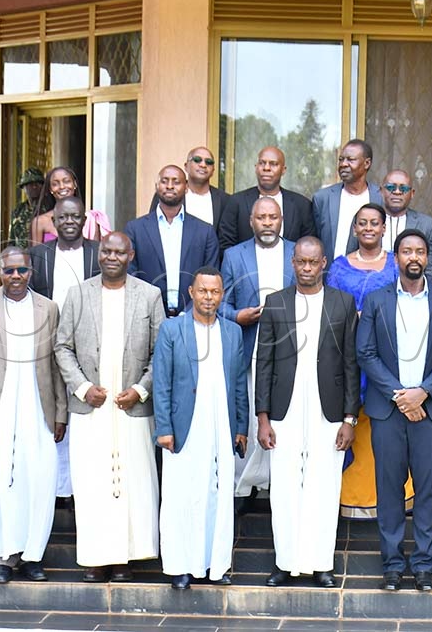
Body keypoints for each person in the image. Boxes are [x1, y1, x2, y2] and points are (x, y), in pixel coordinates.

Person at [54, 232, 166, 583]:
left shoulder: (149, 296)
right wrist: (84, 388)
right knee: (92, 482)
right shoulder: (78, 294)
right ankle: (96, 558)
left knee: (133, 482)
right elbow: (62, 346)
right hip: (92, 407)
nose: (112, 257)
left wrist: (140, 390)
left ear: (131, 255)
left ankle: (124, 559)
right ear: (98, 254)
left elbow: (159, 352)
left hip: (131, 407)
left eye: (119, 252)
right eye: (106, 251)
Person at [358, 229, 432, 592]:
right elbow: (366, 353)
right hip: (388, 411)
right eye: (407, 251)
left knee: (429, 489)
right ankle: (391, 564)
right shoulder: (376, 300)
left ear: (427, 257)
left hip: (430, 411)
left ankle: (423, 564)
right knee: (388, 489)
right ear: (397, 257)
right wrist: (399, 396)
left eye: (420, 251)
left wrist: (422, 393)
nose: (414, 257)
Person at [255, 237, 359, 589]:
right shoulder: (275, 303)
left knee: (324, 486)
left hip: (327, 409)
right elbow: (263, 364)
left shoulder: (342, 303)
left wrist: (349, 419)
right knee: (283, 486)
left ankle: (321, 564)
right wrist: (263, 417)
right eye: (300, 262)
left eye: (313, 262)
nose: (306, 268)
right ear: (293, 263)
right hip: (284, 408)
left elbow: (350, 365)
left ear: (324, 263)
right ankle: (284, 562)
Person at [0, 247, 67, 584]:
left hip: (39, 408)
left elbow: (56, 363)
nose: (16, 277)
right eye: (9, 271)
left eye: (21, 270)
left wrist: (61, 412)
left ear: (31, 271)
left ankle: (34, 556)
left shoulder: (48, 309)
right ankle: (4, 556)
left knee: (38, 479)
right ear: (0, 273)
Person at [152, 267, 249, 590]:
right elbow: (162, 382)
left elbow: (239, 385)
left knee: (219, 495)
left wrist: (241, 427)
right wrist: (164, 427)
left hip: (222, 423)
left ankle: (216, 565)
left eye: (216, 292)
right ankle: (181, 566)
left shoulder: (232, 332)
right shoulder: (172, 329)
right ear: (191, 292)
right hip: (183, 426)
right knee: (181, 494)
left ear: (222, 295)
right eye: (203, 291)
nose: (209, 297)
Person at [326, 203, 412, 519]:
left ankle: (386, 499)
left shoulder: (395, 266)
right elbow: (328, 308)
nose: (368, 228)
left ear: (383, 228)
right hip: (344, 354)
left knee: (385, 422)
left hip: (388, 355)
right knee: (349, 416)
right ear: (354, 228)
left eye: (375, 223)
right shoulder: (337, 267)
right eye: (362, 223)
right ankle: (349, 498)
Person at [220, 197, 296, 503]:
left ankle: (278, 482)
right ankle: (244, 486)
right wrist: (237, 316)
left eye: (272, 217)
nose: (267, 222)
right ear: (251, 221)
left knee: (283, 413)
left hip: (290, 347)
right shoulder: (233, 255)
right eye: (261, 217)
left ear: (281, 221)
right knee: (250, 411)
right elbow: (218, 301)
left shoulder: (297, 253)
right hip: (248, 344)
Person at [29, 196, 101, 500]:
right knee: (52, 411)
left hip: (88, 343)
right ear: (54, 222)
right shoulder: (39, 254)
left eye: (75, 217)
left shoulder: (98, 253)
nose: (69, 222)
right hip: (47, 342)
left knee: (83, 411)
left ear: (84, 221)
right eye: (63, 218)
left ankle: (82, 485)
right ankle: (57, 489)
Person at [125, 165, 219, 317]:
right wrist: (150, 312)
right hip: (146, 317)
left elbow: (210, 277)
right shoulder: (135, 229)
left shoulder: (204, 231)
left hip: (192, 318)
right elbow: (131, 275)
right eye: (164, 181)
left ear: (186, 187)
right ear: (157, 186)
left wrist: (189, 313)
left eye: (176, 182)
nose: (169, 186)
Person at [220, 146, 315, 249]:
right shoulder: (236, 202)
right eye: (262, 163)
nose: (266, 168)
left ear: (283, 170)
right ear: (256, 167)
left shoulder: (302, 205)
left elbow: (309, 248)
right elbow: (226, 246)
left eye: (273, 164)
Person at [312, 139, 383, 262]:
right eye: (341, 159)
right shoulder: (323, 198)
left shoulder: (381, 197)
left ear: (367, 163)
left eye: (351, 160)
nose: (343, 164)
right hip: (331, 277)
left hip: (372, 276)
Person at [376, 169, 432, 284]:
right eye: (391, 187)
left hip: (413, 293)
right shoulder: (370, 223)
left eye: (403, 188)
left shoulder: (427, 225)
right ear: (381, 191)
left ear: (412, 193)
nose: (397, 192)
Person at [149, 147, 230, 235]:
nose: (203, 165)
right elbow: (152, 226)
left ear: (213, 170)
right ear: (186, 166)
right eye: (197, 160)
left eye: (209, 162)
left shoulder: (224, 200)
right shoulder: (168, 194)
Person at [31, 166, 111, 243]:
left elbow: (94, 254)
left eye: (66, 181)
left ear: (75, 184)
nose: (62, 186)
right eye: (55, 184)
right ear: (50, 189)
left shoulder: (91, 220)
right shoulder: (40, 222)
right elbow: (36, 255)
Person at [7, 167, 49, 248]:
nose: (34, 187)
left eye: (38, 183)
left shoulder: (50, 209)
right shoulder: (17, 212)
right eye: (30, 184)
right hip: (21, 257)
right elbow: (11, 242)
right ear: (24, 188)